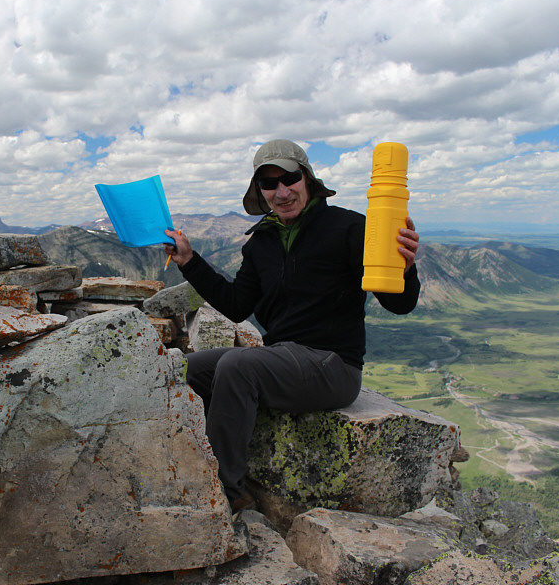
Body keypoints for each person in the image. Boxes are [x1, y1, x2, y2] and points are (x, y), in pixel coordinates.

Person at [163, 139, 420, 513]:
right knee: (179, 368)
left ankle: (223, 496)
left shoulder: (349, 228)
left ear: (307, 179)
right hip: (283, 359)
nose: (282, 191)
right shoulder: (261, 242)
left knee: (237, 366)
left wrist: (405, 270)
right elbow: (237, 305)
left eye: (289, 178)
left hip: (334, 365)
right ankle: (185, 464)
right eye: (269, 184)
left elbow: (400, 303)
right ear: (260, 191)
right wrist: (189, 261)